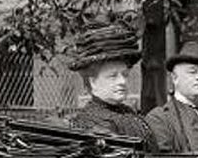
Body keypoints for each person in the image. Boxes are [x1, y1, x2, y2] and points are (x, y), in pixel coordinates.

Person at [67, 20, 160, 150]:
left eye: (124, 74)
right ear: (92, 82)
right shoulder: (88, 122)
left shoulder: (130, 114)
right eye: (112, 76)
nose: (122, 81)